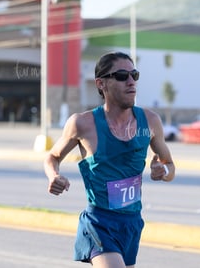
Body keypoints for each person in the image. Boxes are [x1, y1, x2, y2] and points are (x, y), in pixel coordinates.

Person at [44, 51, 175, 268]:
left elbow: (169, 164)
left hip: (132, 223)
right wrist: (54, 175)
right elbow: (53, 156)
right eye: (122, 75)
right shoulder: (82, 124)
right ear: (101, 83)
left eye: (135, 75)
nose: (131, 81)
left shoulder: (150, 121)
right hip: (99, 222)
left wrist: (164, 171)